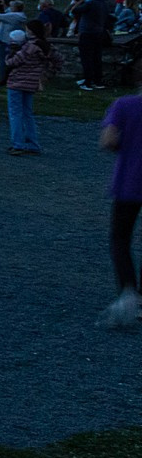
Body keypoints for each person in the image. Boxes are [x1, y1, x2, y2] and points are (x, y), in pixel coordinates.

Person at [100, 85, 142, 328]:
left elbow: (109, 140)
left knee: (120, 238)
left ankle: (128, 291)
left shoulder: (124, 105)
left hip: (130, 182)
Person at [3, 24, 58, 156]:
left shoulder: (28, 47)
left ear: (32, 32)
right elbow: (58, 59)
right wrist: (48, 74)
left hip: (17, 82)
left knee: (15, 114)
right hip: (31, 83)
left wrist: (8, 55)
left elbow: (12, 62)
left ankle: (18, 144)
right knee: (28, 114)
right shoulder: (45, 46)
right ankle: (32, 144)